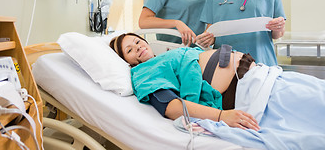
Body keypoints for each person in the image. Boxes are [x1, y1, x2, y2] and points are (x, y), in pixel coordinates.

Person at [110, 32, 261, 131]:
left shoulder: (163, 59)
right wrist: (222, 116)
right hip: (235, 89)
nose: (137, 47)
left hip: (251, 71)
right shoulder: (143, 74)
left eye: (137, 41)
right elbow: (170, 106)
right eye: (129, 50)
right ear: (125, 61)